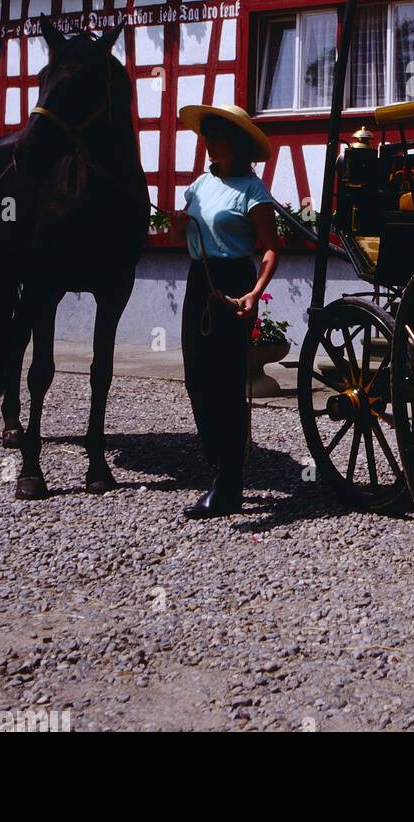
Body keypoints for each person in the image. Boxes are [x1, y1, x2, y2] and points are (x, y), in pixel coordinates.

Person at [177, 104, 280, 519]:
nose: (207, 141)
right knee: (196, 379)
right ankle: (218, 461)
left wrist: (256, 292)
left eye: (215, 133)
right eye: (205, 133)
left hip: (235, 285)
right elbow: (185, 228)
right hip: (199, 281)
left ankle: (229, 485)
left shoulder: (253, 192)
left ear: (234, 142)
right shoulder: (200, 184)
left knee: (227, 385)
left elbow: (271, 248)